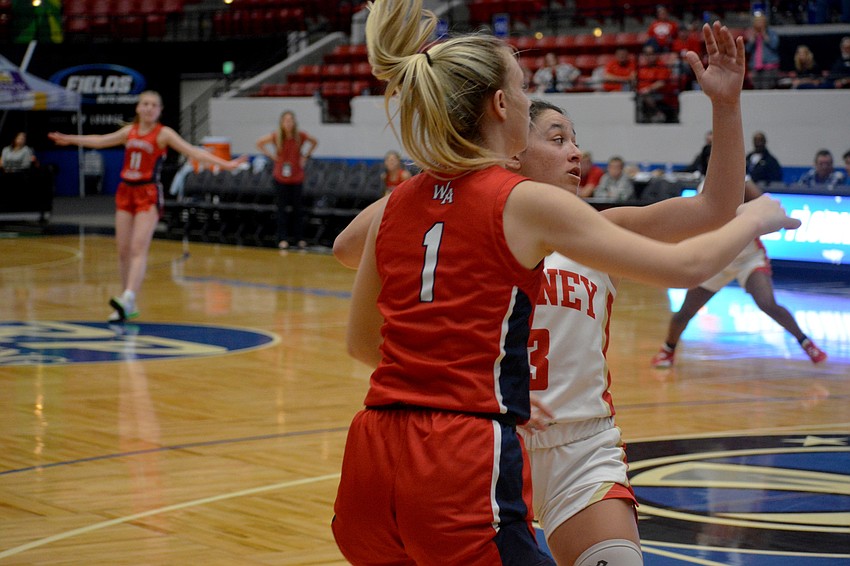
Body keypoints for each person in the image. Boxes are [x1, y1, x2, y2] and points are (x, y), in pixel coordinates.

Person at [331, 4, 798, 562]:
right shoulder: (516, 206)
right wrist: (757, 217)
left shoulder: (589, 225)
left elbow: (712, 206)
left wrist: (726, 107)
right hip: (484, 443)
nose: (575, 150)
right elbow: (696, 254)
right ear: (508, 126)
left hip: (564, 443)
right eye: (555, 135)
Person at [49, 90, 246, 322]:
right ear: (138, 108)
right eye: (145, 104)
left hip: (148, 192)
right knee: (122, 251)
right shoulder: (129, 132)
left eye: (154, 104)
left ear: (160, 110)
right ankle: (126, 301)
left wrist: (226, 164)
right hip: (126, 191)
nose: (149, 108)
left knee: (137, 247)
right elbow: (100, 140)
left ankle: (129, 296)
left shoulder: (164, 134)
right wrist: (71, 139)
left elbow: (193, 151)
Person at [652, 179, 828, 368]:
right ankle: (668, 349)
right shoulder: (703, 188)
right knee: (686, 311)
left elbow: (764, 203)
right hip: (718, 258)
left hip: (748, 257)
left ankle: (806, 343)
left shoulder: (742, 181)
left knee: (767, 303)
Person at [255, 110, 318, 249]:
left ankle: (299, 238)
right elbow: (259, 143)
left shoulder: (300, 136)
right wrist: (272, 156)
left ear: (294, 122)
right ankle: (282, 238)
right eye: (286, 120)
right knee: (281, 209)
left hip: (296, 177)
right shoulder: (277, 136)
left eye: (291, 120)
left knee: (298, 210)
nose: (289, 123)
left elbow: (314, 142)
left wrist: (305, 156)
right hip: (280, 177)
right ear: (282, 123)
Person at [636, 44, 675, 123]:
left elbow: (662, 83)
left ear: (656, 54)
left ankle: (657, 113)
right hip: (641, 94)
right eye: (646, 54)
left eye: (651, 54)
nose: (649, 56)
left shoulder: (661, 66)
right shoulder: (641, 67)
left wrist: (648, 89)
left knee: (645, 94)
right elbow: (635, 80)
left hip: (659, 94)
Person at [745, 11, 781, 89]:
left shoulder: (771, 33)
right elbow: (747, 49)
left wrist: (764, 35)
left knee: (767, 88)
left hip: (769, 66)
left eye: (761, 21)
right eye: (757, 22)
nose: (759, 24)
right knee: (757, 89)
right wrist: (753, 38)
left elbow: (774, 45)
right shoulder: (753, 34)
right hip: (756, 66)